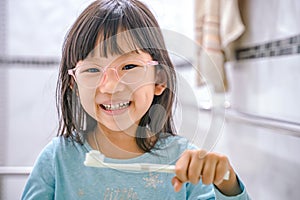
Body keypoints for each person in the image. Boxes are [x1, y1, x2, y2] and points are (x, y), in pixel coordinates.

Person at [22, 0, 251, 199]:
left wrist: (227, 184)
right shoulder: (57, 160)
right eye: (92, 70)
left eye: (129, 66)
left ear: (159, 79)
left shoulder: (187, 165)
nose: (111, 86)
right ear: (74, 84)